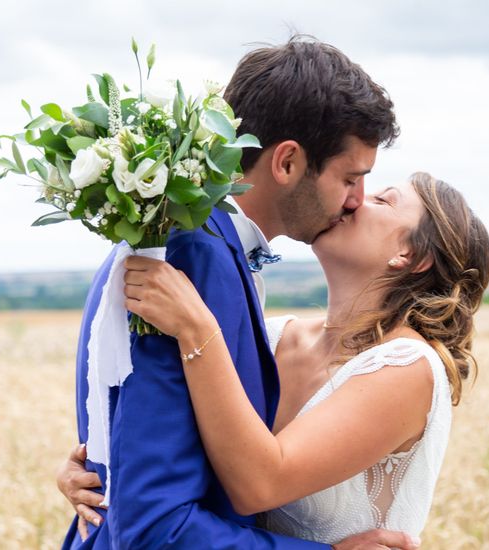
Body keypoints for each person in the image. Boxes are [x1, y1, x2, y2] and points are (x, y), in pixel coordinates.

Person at [59, 36, 420, 549]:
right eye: (351, 177)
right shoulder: (193, 255)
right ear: (288, 162)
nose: (357, 200)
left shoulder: (183, 239)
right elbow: (154, 527)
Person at [121, 172, 489, 544]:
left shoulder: (406, 366)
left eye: (383, 200)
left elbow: (260, 484)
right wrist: (101, 468)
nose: (354, 199)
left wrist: (196, 330)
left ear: (410, 254)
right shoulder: (274, 336)